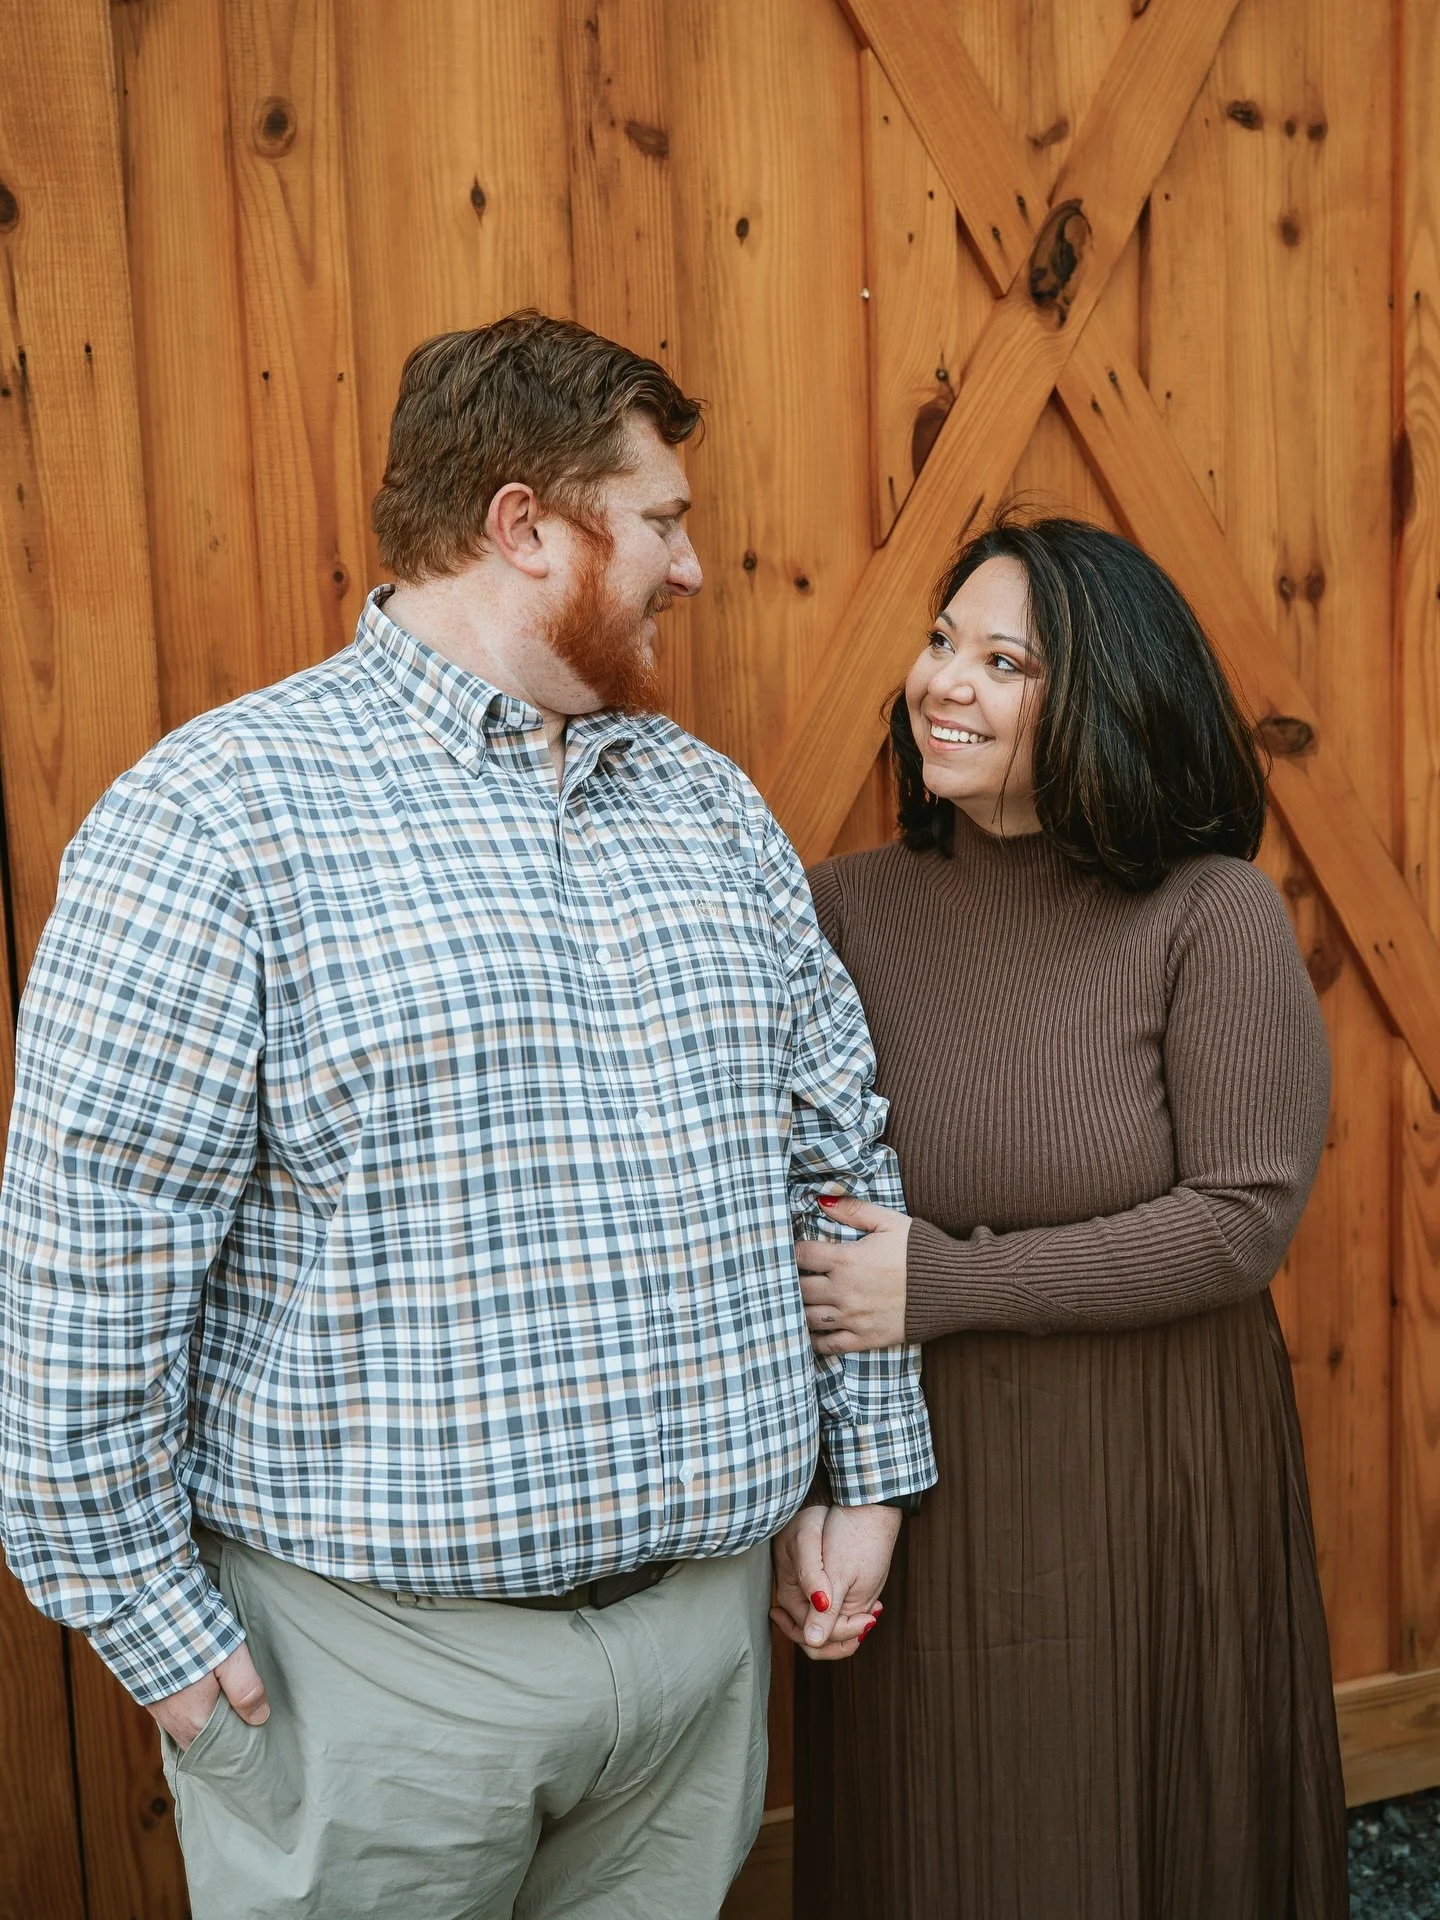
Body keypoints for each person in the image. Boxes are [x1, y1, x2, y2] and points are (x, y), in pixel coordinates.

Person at [0, 311, 934, 1920]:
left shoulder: (707, 808)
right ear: (523, 527)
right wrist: (141, 1614)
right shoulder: (219, 817)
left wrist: (868, 1472)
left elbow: (833, 1153)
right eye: (661, 522)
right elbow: (91, 1259)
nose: (690, 567)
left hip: (700, 1659)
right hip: (375, 1688)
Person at [787, 515, 1348, 1919]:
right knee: (951, 1838)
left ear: (1101, 697)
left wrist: (947, 1286)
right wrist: (826, 1486)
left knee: (1158, 1837)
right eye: (937, 642)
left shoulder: (1208, 916)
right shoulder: (842, 911)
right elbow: (800, 1211)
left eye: (1002, 660)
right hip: (933, 1484)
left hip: (1159, 1472)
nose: (943, 683)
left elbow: (1240, 1221)